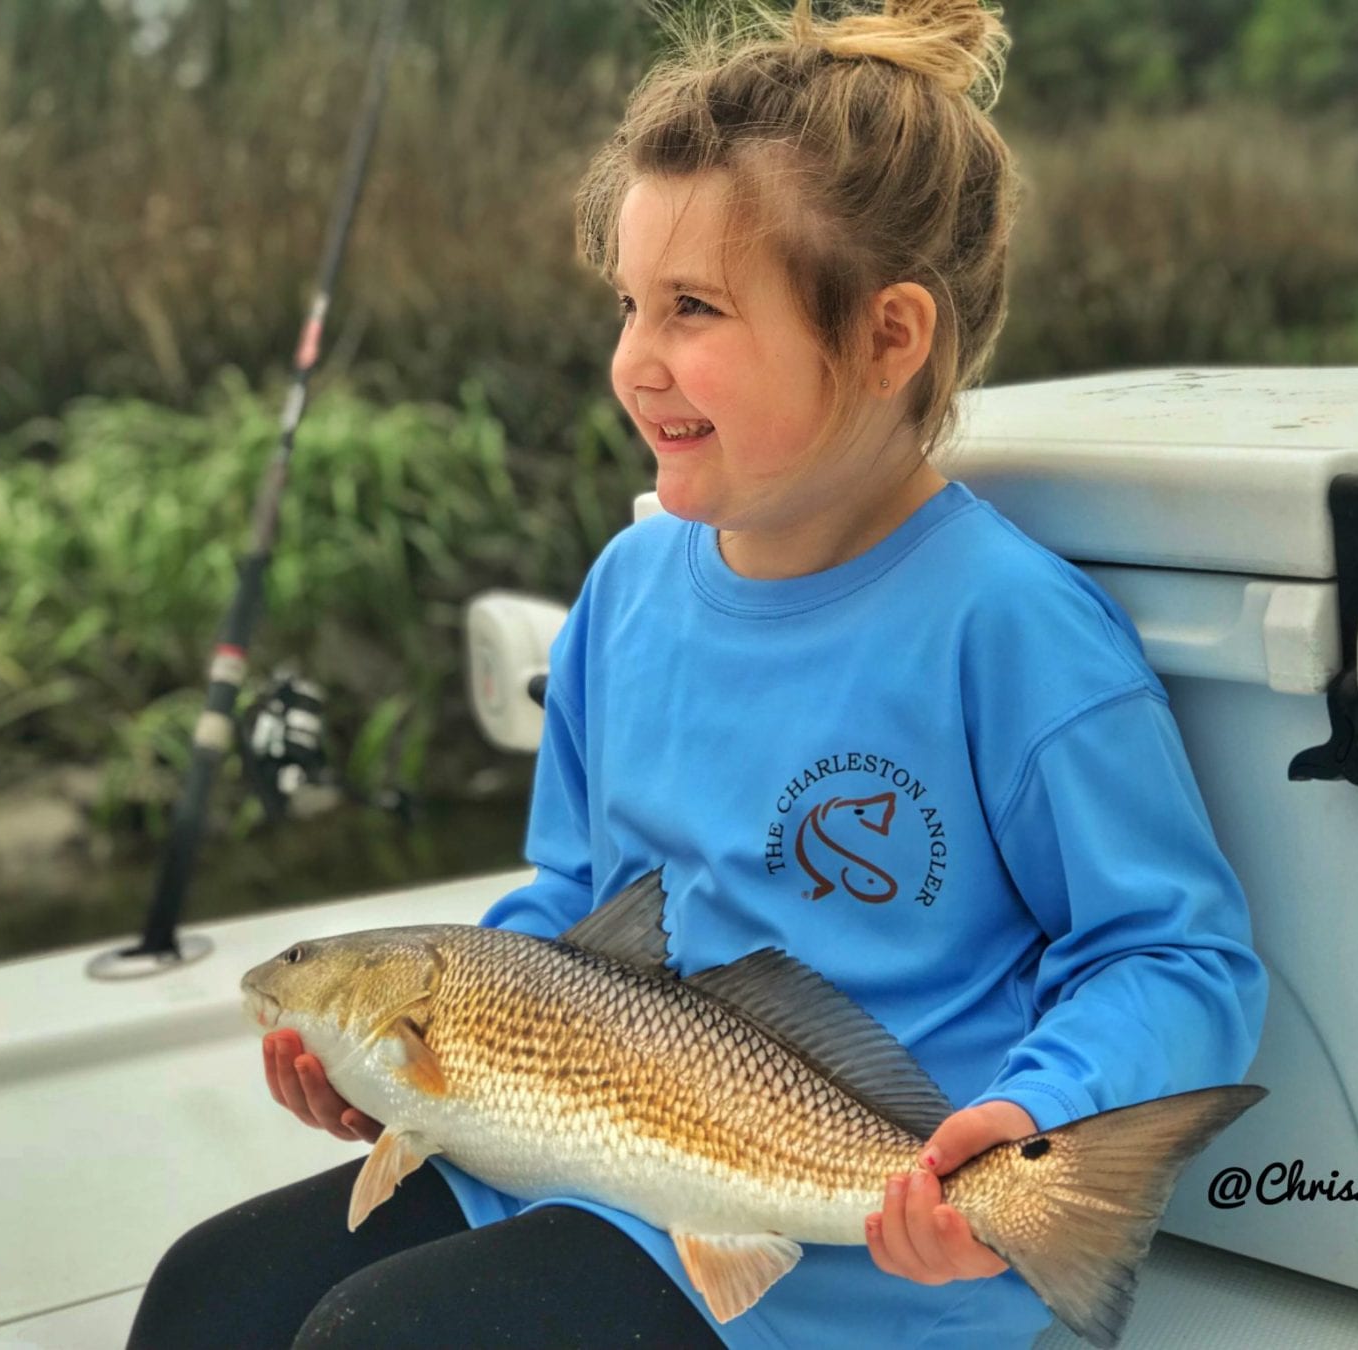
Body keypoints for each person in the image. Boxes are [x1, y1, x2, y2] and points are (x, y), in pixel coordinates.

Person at [128, 1, 1267, 1346]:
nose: (634, 360)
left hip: (863, 1259)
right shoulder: (628, 586)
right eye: (627, 303)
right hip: (588, 1163)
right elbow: (573, 891)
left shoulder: (1010, 628)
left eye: (694, 309)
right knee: (206, 1297)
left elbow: (1176, 952)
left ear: (891, 336)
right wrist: (412, 1075)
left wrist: (1032, 1120)